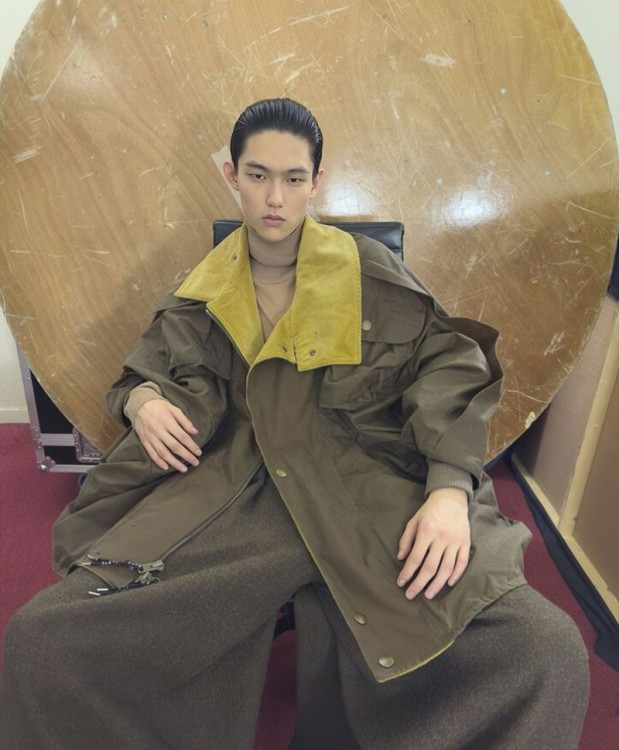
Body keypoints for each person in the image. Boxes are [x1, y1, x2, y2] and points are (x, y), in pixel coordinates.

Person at [1, 98, 588, 749]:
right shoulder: (199, 296)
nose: (274, 197)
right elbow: (140, 375)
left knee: (544, 650)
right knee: (43, 642)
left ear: (316, 181)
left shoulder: (369, 272)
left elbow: (448, 367)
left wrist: (448, 490)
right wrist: (143, 402)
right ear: (232, 175)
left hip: (367, 491)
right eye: (257, 175)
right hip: (235, 499)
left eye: (292, 177)